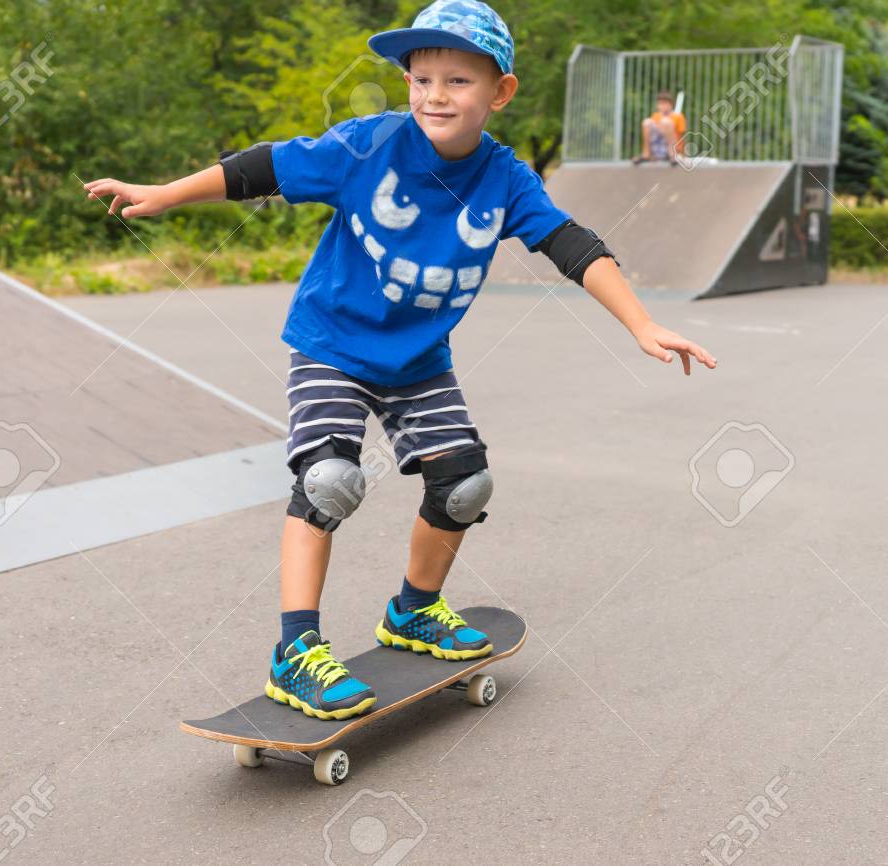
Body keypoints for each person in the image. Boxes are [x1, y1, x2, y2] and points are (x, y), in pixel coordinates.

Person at [82, 0, 716, 722]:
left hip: (418, 362)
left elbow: (570, 245)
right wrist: (164, 195)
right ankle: (295, 651)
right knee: (329, 479)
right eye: (421, 80)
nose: (435, 97)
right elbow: (265, 166)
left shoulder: (506, 180)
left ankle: (413, 612)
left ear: (499, 93)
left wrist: (641, 323)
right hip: (332, 344)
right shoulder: (367, 147)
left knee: (464, 485)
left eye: (457, 82)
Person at [631, 90, 687, 166]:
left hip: (673, 148)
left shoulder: (678, 117)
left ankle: (672, 155)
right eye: (659, 104)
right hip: (657, 146)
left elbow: (681, 137)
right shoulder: (656, 116)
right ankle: (646, 154)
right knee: (647, 122)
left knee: (666, 121)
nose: (660, 106)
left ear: (670, 105)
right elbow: (654, 133)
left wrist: (682, 153)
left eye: (663, 104)